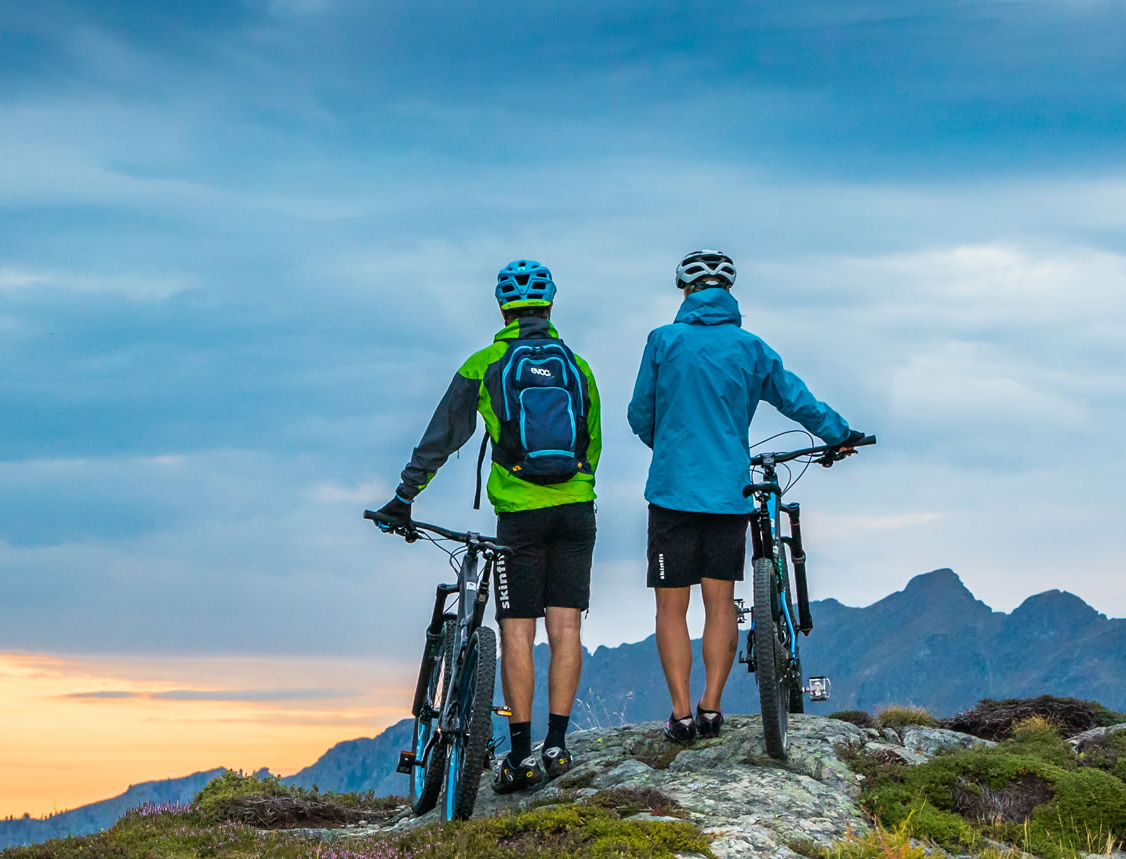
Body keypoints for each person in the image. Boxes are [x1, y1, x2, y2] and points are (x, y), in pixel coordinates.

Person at [371, 260, 601, 794]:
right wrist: (577, 487)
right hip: (576, 509)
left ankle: (520, 756)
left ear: (502, 307)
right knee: (566, 628)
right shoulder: (579, 366)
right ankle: (559, 747)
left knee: (518, 629)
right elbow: (591, 444)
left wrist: (405, 495)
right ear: (550, 305)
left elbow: (441, 437)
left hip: (519, 515)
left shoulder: (486, 363)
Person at [625, 250, 869, 744]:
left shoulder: (663, 342)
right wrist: (838, 434)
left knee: (671, 608)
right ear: (730, 292)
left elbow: (638, 414)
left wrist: (670, 446)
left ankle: (680, 715)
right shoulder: (751, 348)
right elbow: (797, 399)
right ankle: (711, 708)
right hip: (729, 495)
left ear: (685, 293)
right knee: (720, 603)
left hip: (672, 494)